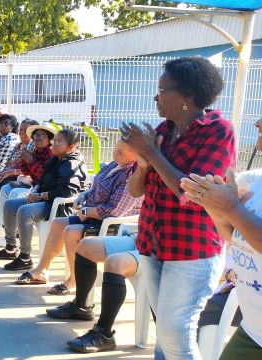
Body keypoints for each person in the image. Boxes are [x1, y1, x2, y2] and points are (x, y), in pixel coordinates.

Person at [120, 56, 236, 359]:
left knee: (175, 333)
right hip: (152, 244)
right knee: (166, 334)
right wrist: (144, 165)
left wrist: (152, 154)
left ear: (187, 96)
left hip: (192, 251)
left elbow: (193, 195)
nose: (155, 97)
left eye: (162, 90)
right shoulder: (162, 130)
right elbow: (134, 191)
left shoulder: (218, 131)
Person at [179, 117, 262, 359]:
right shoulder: (252, 181)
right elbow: (237, 238)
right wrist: (215, 208)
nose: (257, 123)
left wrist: (231, 208)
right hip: (254, 332)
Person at [16, 140, 142, 294]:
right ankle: (42, 270)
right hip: (94, 217)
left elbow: (115, 210)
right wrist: (84, 196)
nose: (115, 153)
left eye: (120, 152)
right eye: (115, 149)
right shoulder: (114, 165)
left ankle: (74, 280)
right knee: (57, 224)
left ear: (136, 156)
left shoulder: (132, 175)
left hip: (112, 224)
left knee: (71, 231)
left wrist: (86, 211)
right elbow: (95, 187)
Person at [0, 128, 88, 271]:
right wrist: (34, 192)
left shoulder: (72, 163)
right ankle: (11, 248)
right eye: (55, 140)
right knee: (10, 205)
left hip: (58, 205)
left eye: (59, 142)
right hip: (44, 199)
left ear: (71, 147)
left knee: (24, 211)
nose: (54, 144)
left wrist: (40, 196)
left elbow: (66, 191)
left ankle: (25, 257)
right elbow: (41, 180)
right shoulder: (55, 159)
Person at [45, 234, 142, 353]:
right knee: (85, 245)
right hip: (141, 238)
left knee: (114, 263)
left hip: (160, 249)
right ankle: (81, 307)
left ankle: (104, 334)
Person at [0, 120, 52, 240]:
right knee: (5, 188)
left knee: (14, 192)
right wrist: (24, 160)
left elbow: (43, 175)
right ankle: (2, 225)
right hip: (33, 186)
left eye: (42, 136)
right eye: (36, 136)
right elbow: (27, 171)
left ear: (49, 139)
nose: (38, 139)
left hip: (43, 192)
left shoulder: (51, 153)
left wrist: (30, 161)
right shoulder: (36, 150)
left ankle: (13, 232)